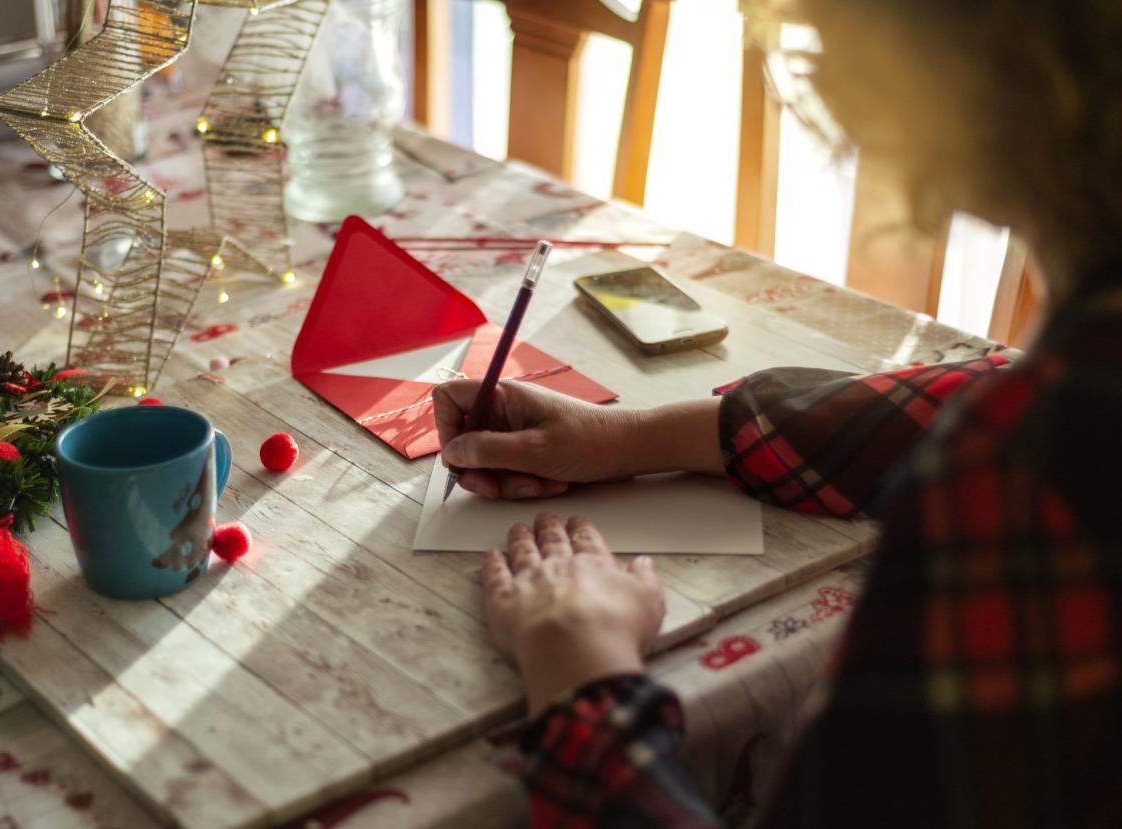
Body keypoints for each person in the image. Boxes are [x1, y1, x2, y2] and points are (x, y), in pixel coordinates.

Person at [431, 0, 1122, 826]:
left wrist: (578, 670)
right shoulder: (1066, 390)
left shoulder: (1023, 467)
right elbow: (960, 396)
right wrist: (630, 436)